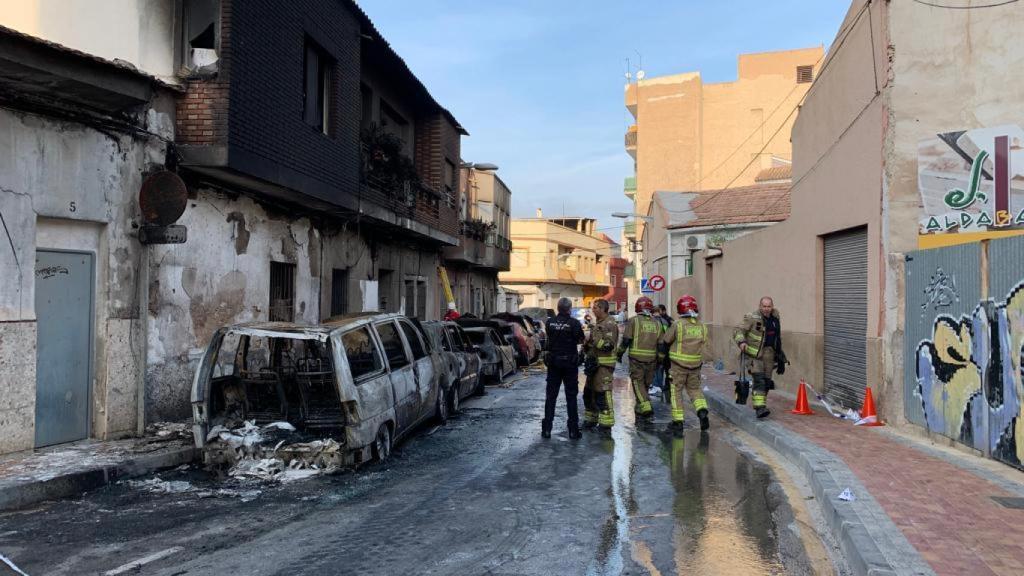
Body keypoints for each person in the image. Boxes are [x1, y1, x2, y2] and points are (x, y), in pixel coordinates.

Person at [660, 295, 710, 431]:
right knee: (695, 390)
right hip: (695, 365)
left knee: (676, 392)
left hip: (678, 366)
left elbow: (666, 340)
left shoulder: (678, 324)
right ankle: (701, 410)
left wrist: (662, 357)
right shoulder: (702, 326)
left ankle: (678, 421)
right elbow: (705, 346)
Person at [542, 297, 585, 439]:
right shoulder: (574, 323)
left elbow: (549, 338)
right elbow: (580, 339)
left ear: (558, 308)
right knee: (571, 397)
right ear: (569, 309)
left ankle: (547, 429)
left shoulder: (550, 322)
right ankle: (573, 430)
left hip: (554, 363)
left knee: (551, 397)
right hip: (570, 364)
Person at [733, 296, 781, 418]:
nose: (766, 309)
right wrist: (741, 342)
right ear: (760, 306)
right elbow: (738, 330)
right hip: (754, 355)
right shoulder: (752, 317)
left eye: (769, 306)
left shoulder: (775, 318)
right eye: (764, 306)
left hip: (769, 354)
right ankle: (760, 408)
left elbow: (777, 337)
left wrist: (780, 356)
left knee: (767, 382)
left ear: (772, 306)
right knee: (759, 380)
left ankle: (761, 403)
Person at [616, 296, 663, 420]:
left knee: (638, 383)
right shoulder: (657, 323)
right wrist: (660, 359)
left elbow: (626, 340)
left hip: (636, 359)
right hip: (652, 359)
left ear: (638, 307)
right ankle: (639, 407)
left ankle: (646, 406)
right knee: (646, 384)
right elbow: (661, 344)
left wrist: (619, 354)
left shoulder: (633, 321)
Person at [582, 299, 618, 433]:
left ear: (603, 309)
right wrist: (586, 344)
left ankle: (606, 425)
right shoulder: (598, 324)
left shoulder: (610, 324)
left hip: (604, 365)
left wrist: (594, 339)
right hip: (593, 365)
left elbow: (609, 345)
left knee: (602, 393)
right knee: (588, 393)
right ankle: (591, 420)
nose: (593, 310)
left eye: (595, 308)